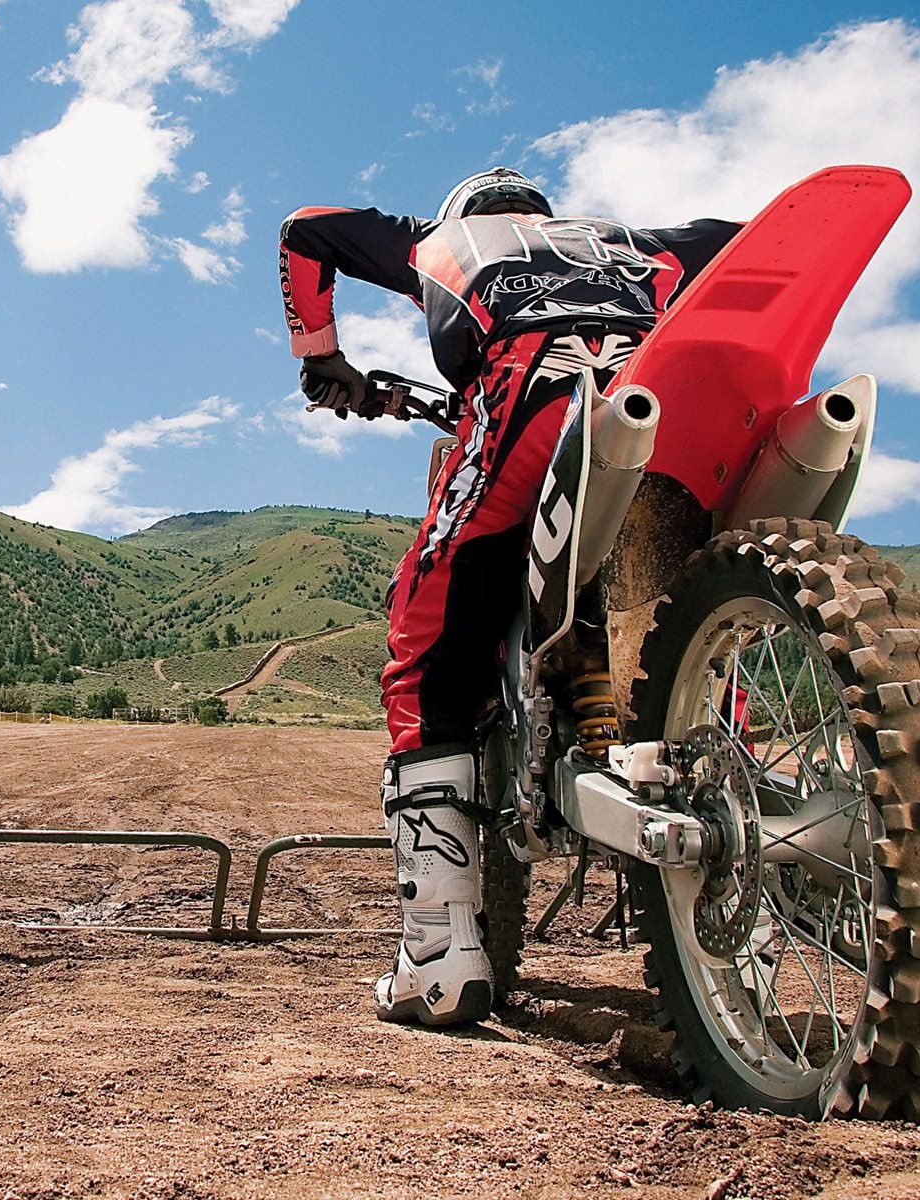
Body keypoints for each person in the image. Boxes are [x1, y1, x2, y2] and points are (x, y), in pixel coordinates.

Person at [278, 168, 739, 1026]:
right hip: (669, 412)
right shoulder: (636, 244)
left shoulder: (443, 239)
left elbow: (308, 227)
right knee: (709, 616)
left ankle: (438, 956)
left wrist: (324, 358)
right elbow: (757, 241)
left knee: (424, 644)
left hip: (533, 401)